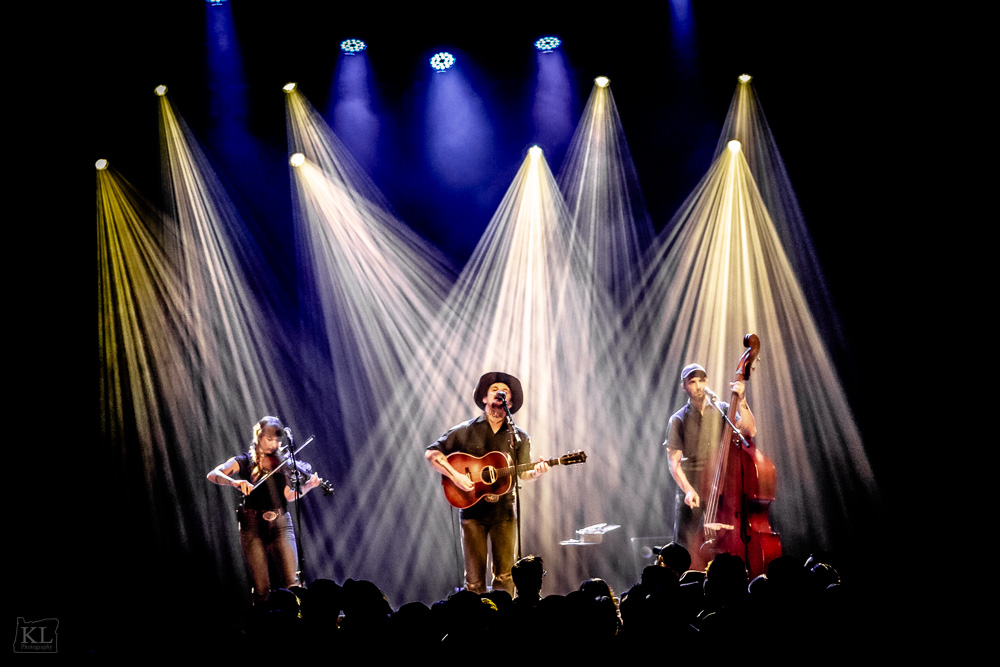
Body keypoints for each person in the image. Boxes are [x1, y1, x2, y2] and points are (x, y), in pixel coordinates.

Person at [425, 372, 549, 595]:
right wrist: (456, 476)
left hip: (504, 513)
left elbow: (524, 472)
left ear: (509, 403)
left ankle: (503, 624)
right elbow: (432, 453)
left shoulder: (518, 436)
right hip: (472, 512)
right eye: (494, 389)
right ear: (484, 398)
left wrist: (537, 472)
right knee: (473, 582)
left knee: (505, 577)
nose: (499, 393)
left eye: (505, 392)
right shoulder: (465, 430)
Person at [208, 415, 322, 604]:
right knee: (262, 589)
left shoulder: (282, 463)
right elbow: (213, 474)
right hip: (252, 526)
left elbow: (288, 496)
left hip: (281, 524)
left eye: (277, 440)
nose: (274, 445)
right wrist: (235, 482)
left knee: (293, 583)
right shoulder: (243, 461)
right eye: (269, 439)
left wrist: (308, 486)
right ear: (258, 438)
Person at [664, 363, 756, 568]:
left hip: (721, 483)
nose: (698, 386)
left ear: (707, 383)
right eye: (692, 382)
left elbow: (750, 429)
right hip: (692, 485)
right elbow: (674, 463)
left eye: (701, 381)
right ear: (684, 387)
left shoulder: (723, 410)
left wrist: (742, 401)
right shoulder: (677, 419)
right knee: (686, 546)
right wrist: (688, 490)